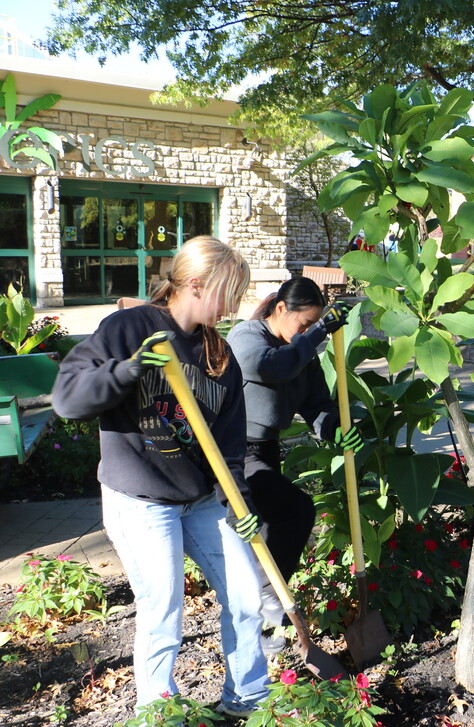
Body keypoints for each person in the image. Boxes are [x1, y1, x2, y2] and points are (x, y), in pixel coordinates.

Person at [52, 236, 268, 717]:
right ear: (194, 284)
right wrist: (127, 371)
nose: (236, 305)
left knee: (247, 597)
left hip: (202, 500)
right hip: (141, 498)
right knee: (164, 611)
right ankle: (159, 711)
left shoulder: (220, 356)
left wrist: (241, 503)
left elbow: (229, 445)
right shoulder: (131, 328)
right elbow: (68, 401)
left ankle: (248, 699)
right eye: (229, 292)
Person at [225, 277, 363, 635]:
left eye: (311, 326)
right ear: (281, 309)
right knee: (290, 511)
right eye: (303, 323)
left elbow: (316, 405)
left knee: (277, 526)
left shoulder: (300, 352)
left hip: (265, 451)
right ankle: (261, 606)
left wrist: (336, 430)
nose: (305, 332)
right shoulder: (247, 336)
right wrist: (317, 334)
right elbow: (270, 367)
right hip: (233, 455)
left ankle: (264, 610)